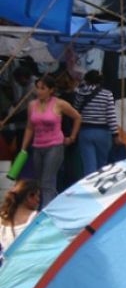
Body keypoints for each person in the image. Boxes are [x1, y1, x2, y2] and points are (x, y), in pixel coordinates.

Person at [21, 75, 81, 207]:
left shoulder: (59, 104)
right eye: (37, 88)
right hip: (37, 146)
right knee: (40, 181)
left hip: (55, 145)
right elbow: (30, 127)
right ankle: (53, 205)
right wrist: (23, 147)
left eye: (43, 88)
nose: (39, 91)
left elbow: (77, 117)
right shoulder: (32, 105)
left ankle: (45, 211)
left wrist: (72, 137)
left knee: (47, 180)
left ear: (51, 90)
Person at [73, 70, 122, 178]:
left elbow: (75, 111)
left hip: (85, 132)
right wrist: (115, 135)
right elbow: (111, 116)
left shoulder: (79, 93)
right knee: (102, 165)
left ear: (86, 80)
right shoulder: (107, 94)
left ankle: (89, 187)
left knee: (88, 166)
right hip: (103, 133)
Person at [0, 179, 41, 252]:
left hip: (8, 262)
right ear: (29, 197)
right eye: (37, 195)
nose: (38, 200)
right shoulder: (36, 217)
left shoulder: (2, 217)